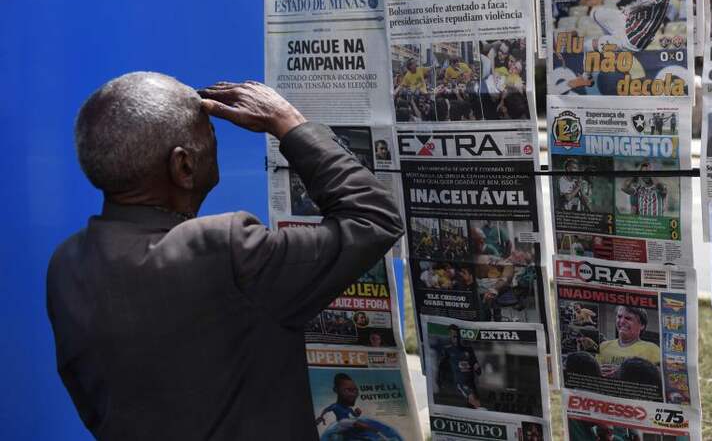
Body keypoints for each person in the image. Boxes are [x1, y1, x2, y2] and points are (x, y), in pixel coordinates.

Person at [46, 74, 403, 440]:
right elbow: (373, 219)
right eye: (211, 135)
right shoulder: (223, 249)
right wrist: (289, 123)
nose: (216, 142)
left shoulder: (66, 265)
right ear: (183, 167)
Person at [596, 306, 660, 376]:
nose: (622, 321)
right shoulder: (603, 346)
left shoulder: (652, 349)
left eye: (628, 318)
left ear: (642, 325)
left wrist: (623, 372)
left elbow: (660, 377)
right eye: (619, 317)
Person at [437, 324, 482, 409]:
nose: (456, 339)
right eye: (453, 336)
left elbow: (475, 362)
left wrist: (477, 368)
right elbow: (441, 366)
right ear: (450, 337)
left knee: (476, 404)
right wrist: (439, 379)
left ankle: (472, 412)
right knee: (475, 402)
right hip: (461, 383)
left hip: (472, 382)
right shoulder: (448, 350)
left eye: (457, 336)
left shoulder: (468, 349)